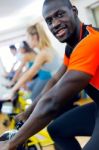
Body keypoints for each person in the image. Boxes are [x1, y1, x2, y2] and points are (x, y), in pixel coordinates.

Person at [0, 0, 99, 150]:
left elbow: (52, 102)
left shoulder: (90, 42)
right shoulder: (72, 46)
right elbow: (54, 80)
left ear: (74, 11)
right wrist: (28, 112)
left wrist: (10, 144)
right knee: (57, 130)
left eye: (59, 15)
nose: (55, 23)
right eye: (49, 21)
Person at [3, 23, 61, 100]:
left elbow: (29, 73)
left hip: (53, 81)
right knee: (32, 93)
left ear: (34, 37)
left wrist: (13, 90)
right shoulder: (46, 49)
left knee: (34, 97)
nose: (27, 41)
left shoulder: (43, 53)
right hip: (54, 80)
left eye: (27, 37)